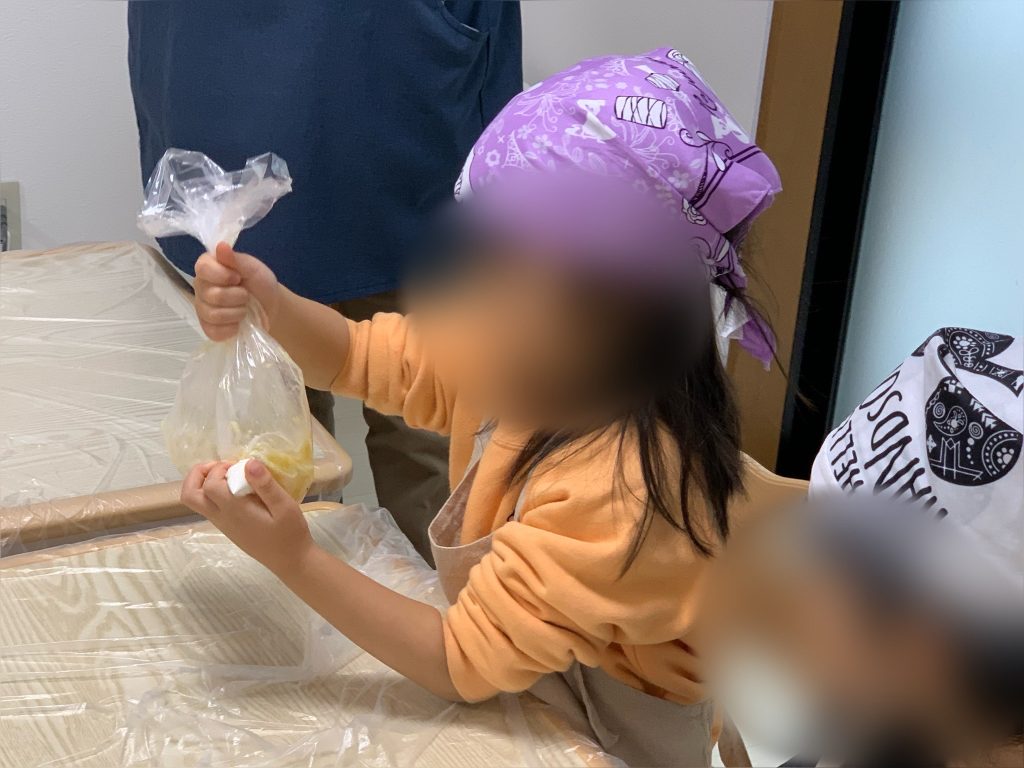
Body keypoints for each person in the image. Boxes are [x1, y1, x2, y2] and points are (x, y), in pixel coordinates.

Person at [178, 49, 794, 767]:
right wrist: (271, 306)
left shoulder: (625, 488)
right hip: (525, 688)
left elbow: (456, 661)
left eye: (505, 264)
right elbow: (356, 355)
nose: (475, 284)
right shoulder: (521, 348)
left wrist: (295, 558)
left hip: (616, 737)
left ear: (619, 308)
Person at [127, 0, 523, 561]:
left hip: (395, 97)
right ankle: (315, 596)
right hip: (242, 86)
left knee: (428, 409)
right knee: (268, 437)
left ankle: (445, 607)